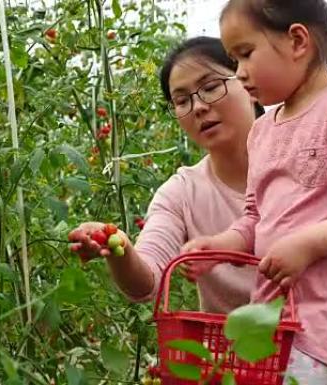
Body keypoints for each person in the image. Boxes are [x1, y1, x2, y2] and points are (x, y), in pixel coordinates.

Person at [182, 1, 327, 384]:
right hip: (271, 320)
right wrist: (221, 246)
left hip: (326, 327)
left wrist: (308, 245)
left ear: (297, 40)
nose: (239, 74)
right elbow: (256, 217)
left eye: (246, 54)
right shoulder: (263, 131)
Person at [68, 36, 262, 314]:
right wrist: (119, 247)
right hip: (231, 353)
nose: (198, 107)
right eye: (181, 101)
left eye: (210, 87)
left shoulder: (306, 160)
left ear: (250, 83)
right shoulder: (182, 193)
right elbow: (147, 282)